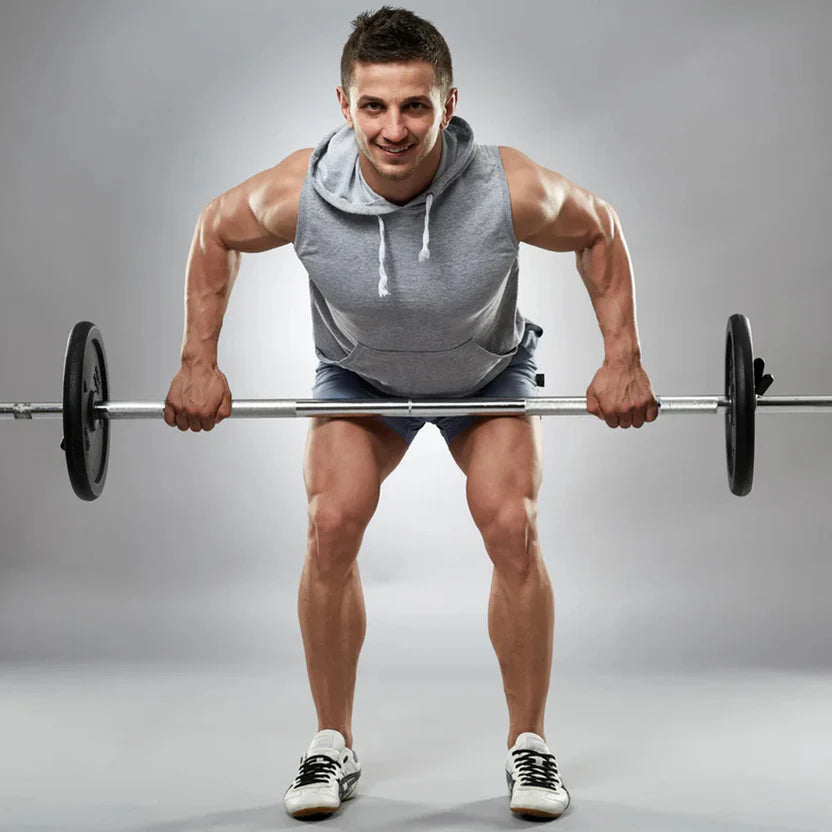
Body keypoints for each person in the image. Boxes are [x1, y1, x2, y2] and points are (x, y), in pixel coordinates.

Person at [164, 5, 658, 821]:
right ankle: (331, 744)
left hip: (488, 377)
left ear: (449, 103)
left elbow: (598, 230)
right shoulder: (302, 191)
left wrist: (623, 358)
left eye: (415, 106)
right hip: (360, 381)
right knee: (330, 524)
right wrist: (196, 362)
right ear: (345, 102)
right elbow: (215, 231)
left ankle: (529, 746)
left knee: (513, 525)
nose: (394, 129)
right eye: (374, 106)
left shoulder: (509, 186)